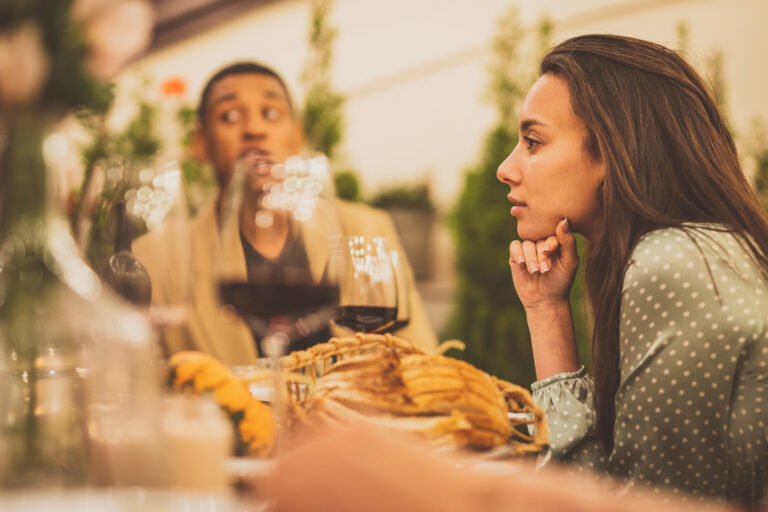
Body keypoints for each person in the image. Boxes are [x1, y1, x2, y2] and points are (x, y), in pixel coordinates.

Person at [496, 35, 768, 505]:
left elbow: (641, 504)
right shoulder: (697, 250)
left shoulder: (675, 265)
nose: (506, 168)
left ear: (611, 149)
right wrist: (545, 310)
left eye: (533, 142)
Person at [133, 62, 437, 364]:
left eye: (270, 113)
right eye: (230, 116)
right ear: (200, 143)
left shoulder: (366, 227)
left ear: (297, 136)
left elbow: (422, 361)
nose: (254, 130)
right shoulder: (157, 256)